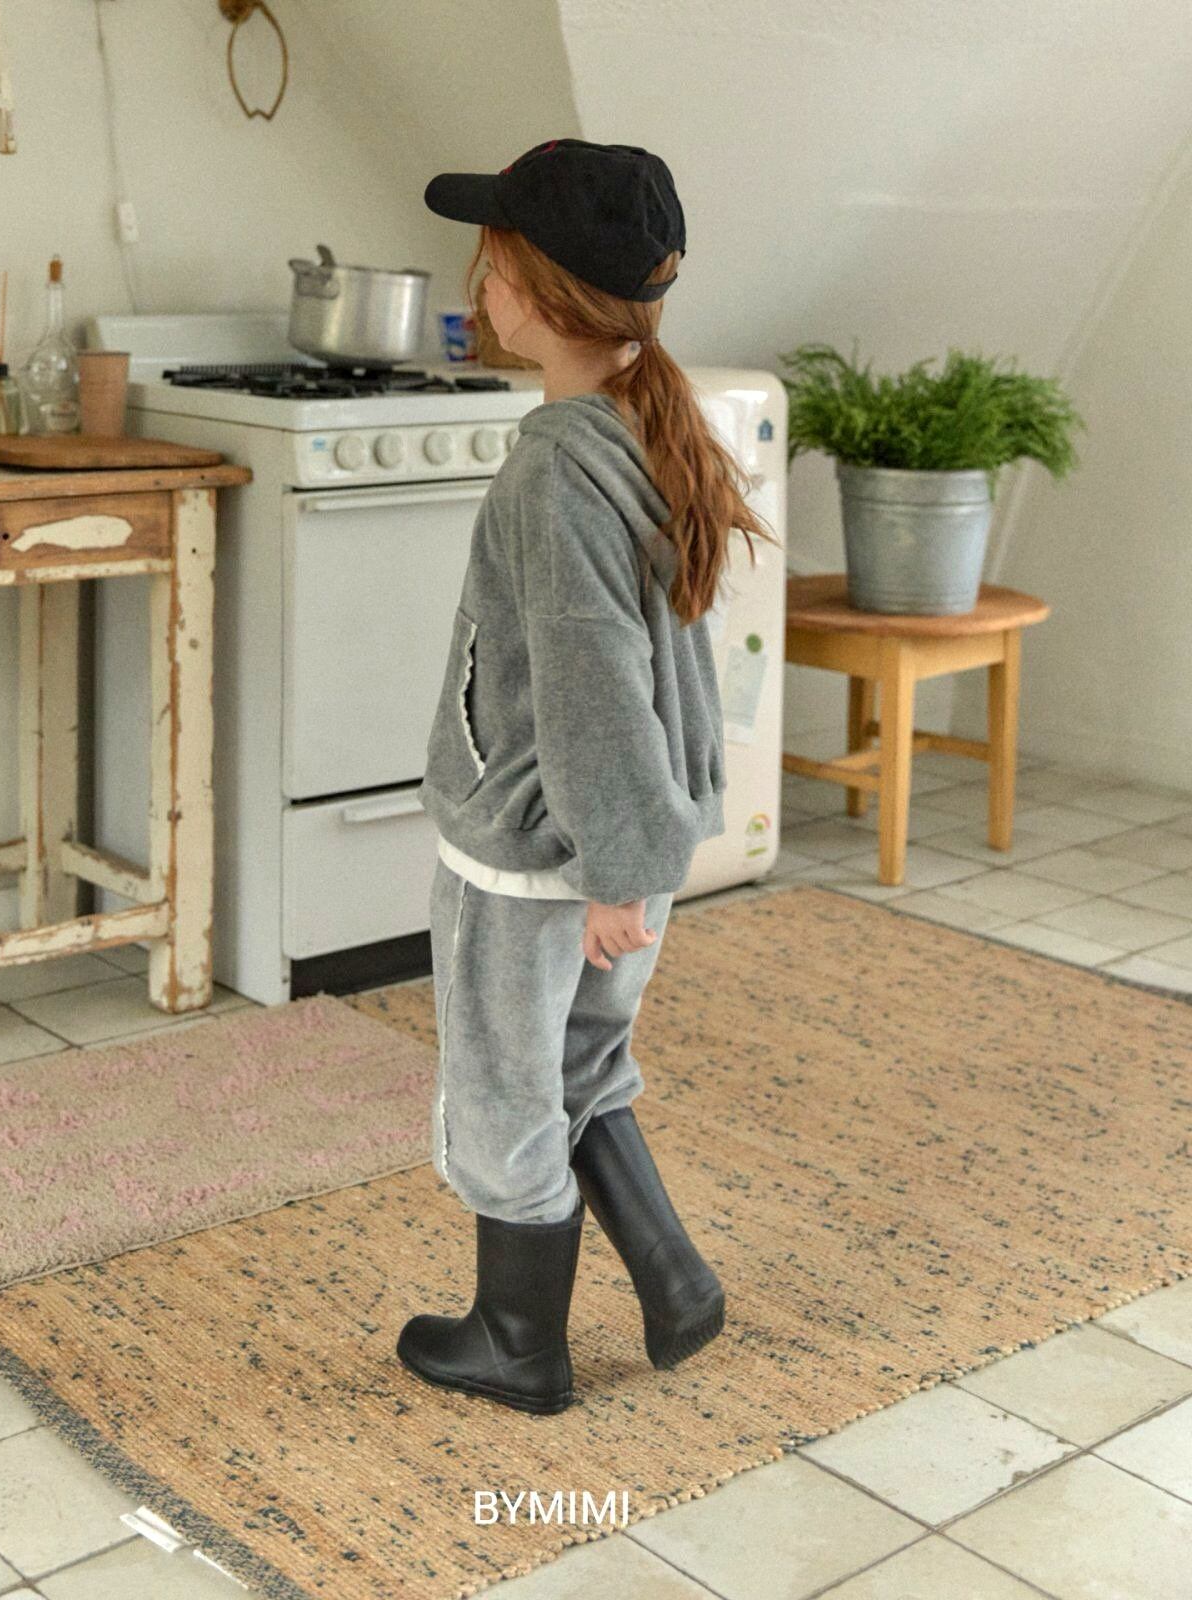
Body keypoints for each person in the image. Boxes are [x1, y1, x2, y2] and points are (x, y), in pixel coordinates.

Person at [397, 139, 780, 1416]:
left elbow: (587, 677)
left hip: (545, 855)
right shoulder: (638, 420)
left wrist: (609, 871)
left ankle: (517, 1343)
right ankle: (673, 1281)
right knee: (580, 1066)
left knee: (504, 1087)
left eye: (492, 265)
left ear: (538, 295)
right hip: (630, 836)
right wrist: (631, 862)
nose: (479, 287)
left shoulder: (551, 467)